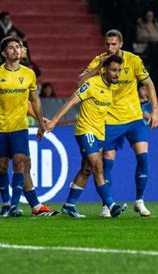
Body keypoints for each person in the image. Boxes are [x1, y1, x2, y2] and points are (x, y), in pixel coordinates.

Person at [0, 36, 58, 217]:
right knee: (0, 166)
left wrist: (41, 122)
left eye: (18, 47)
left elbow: (34, 101)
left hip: (20, 128)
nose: (16, 50)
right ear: (4, 53)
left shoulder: (29, 74)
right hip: (1, 128)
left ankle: (13, 207)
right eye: (11, 48)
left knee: (20, 163)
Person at [77, 29, 158, 217]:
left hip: (133, 118)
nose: (110, 48)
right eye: (107, 44)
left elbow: (149, 84)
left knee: (143, 157)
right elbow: (80, 82)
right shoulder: (99, 60)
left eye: (114, 44)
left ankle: (139, 201)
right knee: (106, 165)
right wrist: (98, 67)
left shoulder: (133, 60)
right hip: (109, 121)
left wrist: (155, 111)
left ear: (121, 44)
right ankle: (107, 204)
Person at [45, 55, 127, 218]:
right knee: (98, 166)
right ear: (105, 70)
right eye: (113, 70)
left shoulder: (112, 88)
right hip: (85, 130)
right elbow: (71, 101)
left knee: (87, 169)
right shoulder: (91, 84)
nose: (117, 74)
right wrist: (54, 120)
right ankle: (111, 205)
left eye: (119, 71)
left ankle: (69, 204)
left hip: (99, 133)